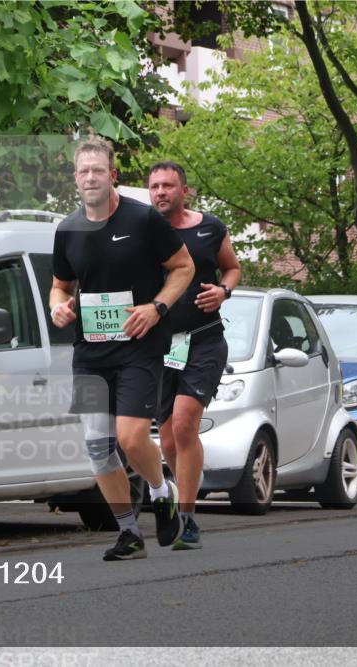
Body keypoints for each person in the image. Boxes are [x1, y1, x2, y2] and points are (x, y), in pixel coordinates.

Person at [51, 137, 195, 561]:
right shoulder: (67, 230)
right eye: (83, 172)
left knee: (131, 438)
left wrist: (157, 307)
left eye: (98, 170)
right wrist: (58, 307)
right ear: (75, 179)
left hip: (138, 345)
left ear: (112, 175)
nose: (90, 178)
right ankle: (129, 532)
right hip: (91, 352)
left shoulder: (145, 219)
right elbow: (60, 286)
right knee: (98, 447)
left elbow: (183, 267)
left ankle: (159, 491)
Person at [147, 160, 241, 550]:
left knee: (185, 425)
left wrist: (224, 291)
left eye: (168, 185)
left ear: (185, 191)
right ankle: (177, 493)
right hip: (160, 345)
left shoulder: (210, 227)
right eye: (154, 186)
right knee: (167, 438)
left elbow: (232, 268)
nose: (161, 192)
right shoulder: (142, 231)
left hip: (203, 339)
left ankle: (187, 518)